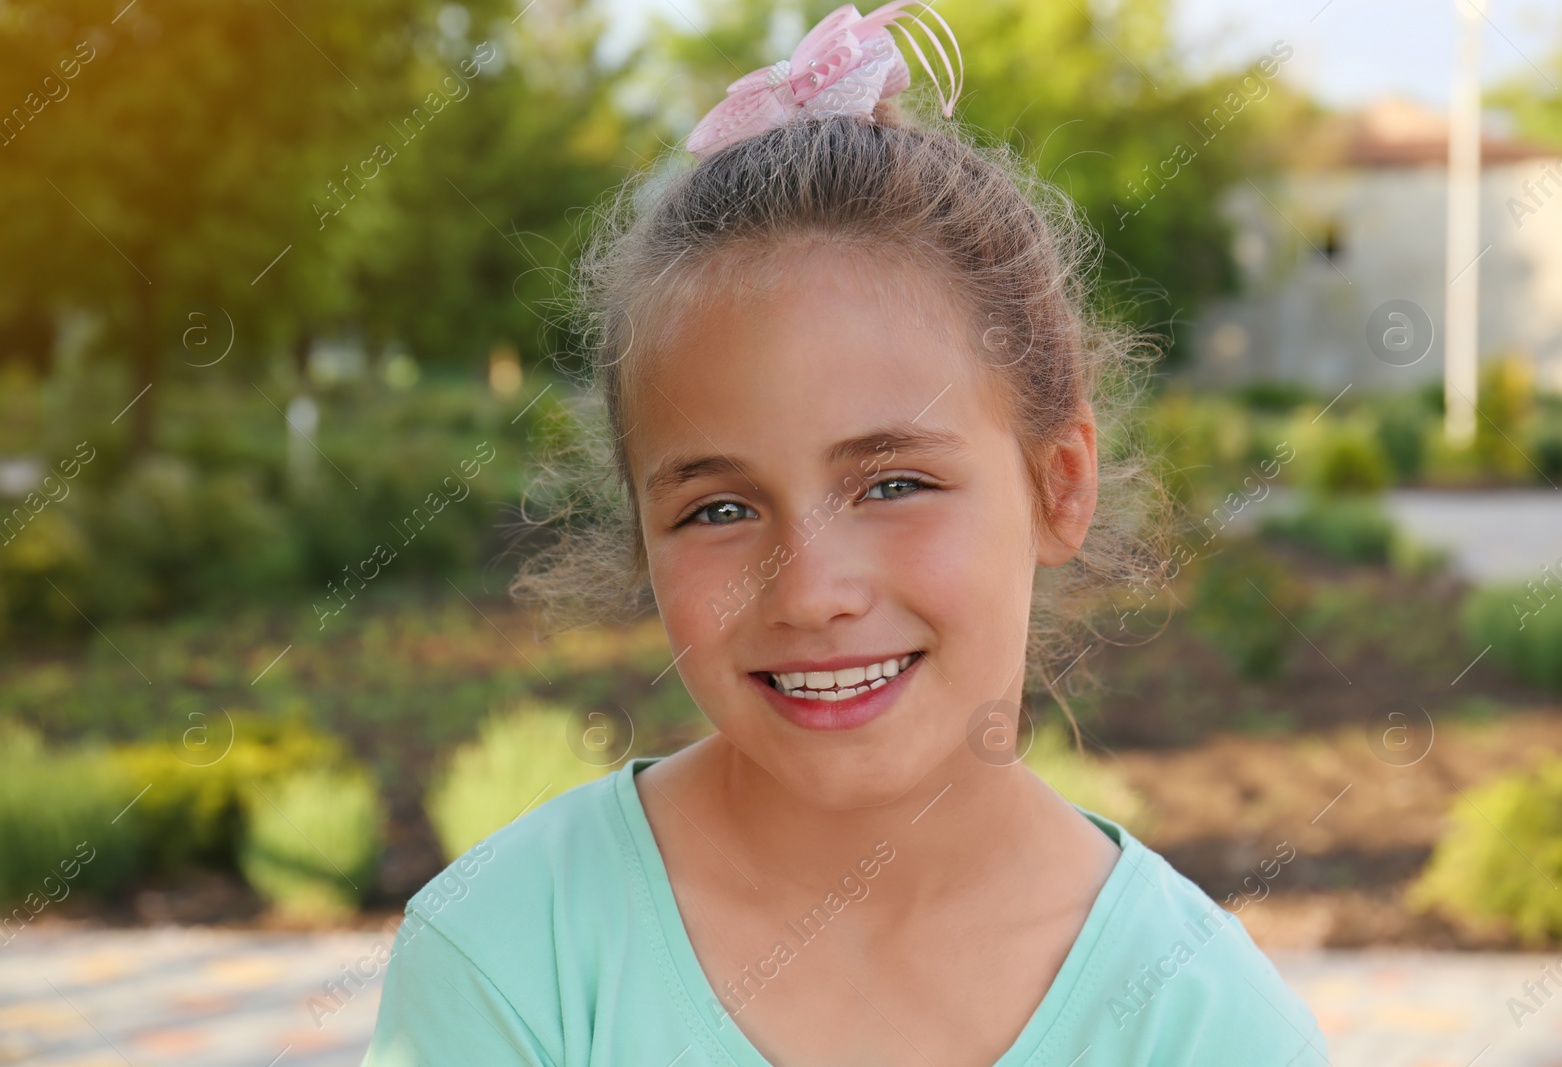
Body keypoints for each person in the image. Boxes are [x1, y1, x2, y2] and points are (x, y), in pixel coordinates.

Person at [361, 2, 1330, 1063]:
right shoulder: (510, 955)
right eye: (719, 509)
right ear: (641, 534)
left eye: (894, 482)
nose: (811, 588)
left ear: (1058, 484)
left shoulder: (1197, 1018)